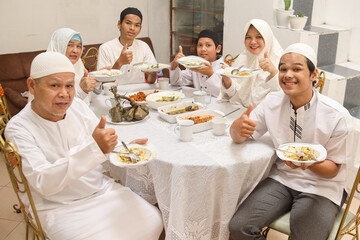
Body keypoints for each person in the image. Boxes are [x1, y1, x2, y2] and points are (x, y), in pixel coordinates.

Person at [5, 52, 163, 240]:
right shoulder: (19, 128)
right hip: (58, 207)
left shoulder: (77, 107)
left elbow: (99, 145)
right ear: (32, 86)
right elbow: (43, 182)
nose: (64, 94)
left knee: (154, 220)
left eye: (69, 86)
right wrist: (96, 149)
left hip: (101, 191)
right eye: (55, 85)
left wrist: (125, 147)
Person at [228, 43, 353, 240]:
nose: (288, 74)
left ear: (314, 75)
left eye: (296, 69)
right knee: (239, 227)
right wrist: (235, 129)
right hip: (282, 178)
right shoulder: (272, 102)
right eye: (283, 68)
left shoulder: (337, 116)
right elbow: (244, 133)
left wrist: (309, 162)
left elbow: (333, 170)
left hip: (321, 187)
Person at [218, 19, 283, 107]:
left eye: (259, 37)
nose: (253, 42)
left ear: (267, 38)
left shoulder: (280, 61)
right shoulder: (242, 59)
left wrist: (273, 72)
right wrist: (226, 78)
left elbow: (282, 97)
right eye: (248, 37)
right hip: (239, 111)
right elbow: (234, 95)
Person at [31, 28, 97, 104]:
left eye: (78, 46)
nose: (75, 50)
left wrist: (97, 85)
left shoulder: (78, 66)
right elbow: (56, 105)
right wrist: (81, 91)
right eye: (70, 45)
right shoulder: (48, 70)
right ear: (58, 46)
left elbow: (87, 99)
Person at [97, 7, 157, 84]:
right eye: (128, 23)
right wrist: (119, 63)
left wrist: (153, 73)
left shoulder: (144, 46)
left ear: (140, 29)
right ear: (119, 24)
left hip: (139, 92)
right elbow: (103, 83)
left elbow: (151, 81)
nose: (132, 28)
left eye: (137, 25)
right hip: (114, 93)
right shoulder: (105, 48)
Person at [170, 29, 225, 96]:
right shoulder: (195, 66)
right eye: (200, 45)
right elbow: (176, 83)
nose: (203, 49)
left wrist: (210, 74)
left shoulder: (224, 68)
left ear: (218, 48)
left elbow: (223, 94)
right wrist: (174, 65)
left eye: (208, 45)